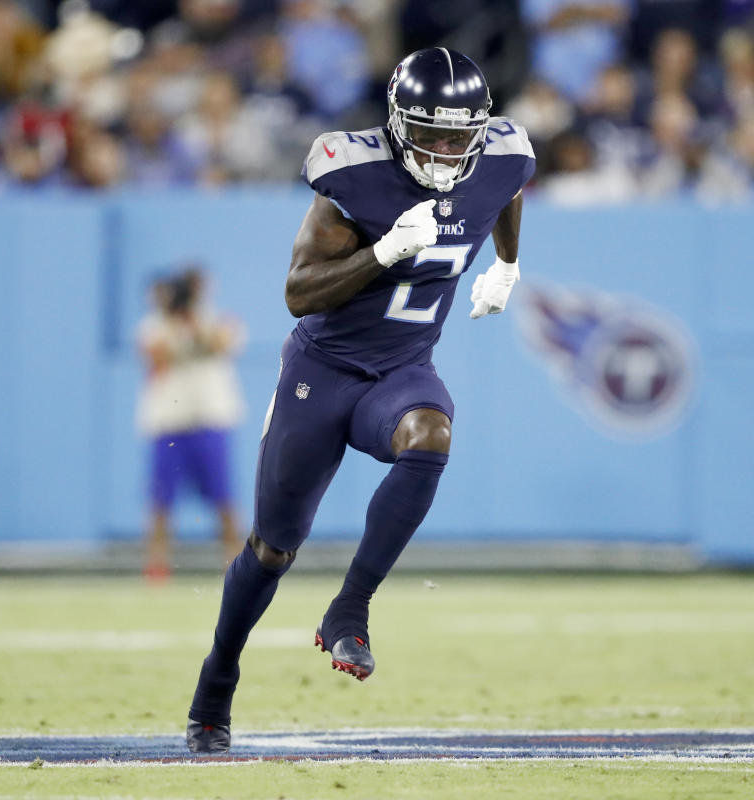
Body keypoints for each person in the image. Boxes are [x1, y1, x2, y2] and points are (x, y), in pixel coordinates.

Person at [185, 47, 535, 754]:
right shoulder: (354, 176)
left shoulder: (501, 156)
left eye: (458, 134)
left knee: (431, 435)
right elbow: (297, 294)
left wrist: (506, 262)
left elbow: (507, 188)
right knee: (272, 548)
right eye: (431, 134)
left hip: (403, 369)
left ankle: (350, 609)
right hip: (322, 372)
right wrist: (378, 255)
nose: (445, 149)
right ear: (398, 126)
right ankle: (217, 681)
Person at [137, 268, 246, 582]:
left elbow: (220, 343)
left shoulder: (215, 319)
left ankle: (236, 569)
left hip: (210, 421)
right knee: (160, 501)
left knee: (224, 499)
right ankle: (157, 568)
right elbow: (156, 354)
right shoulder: (154, 325)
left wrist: (193, 320)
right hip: (169, 425)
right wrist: (175, 322)